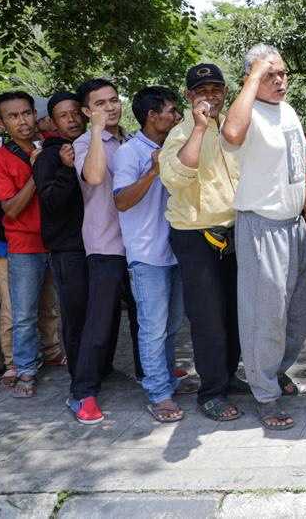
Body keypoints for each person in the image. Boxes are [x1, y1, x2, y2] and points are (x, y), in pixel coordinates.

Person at [221, 43, 306, 431]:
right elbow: (230, 134)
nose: (280, 81)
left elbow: (295, 166)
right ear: (251, 79)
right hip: (261, 225)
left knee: (299, 311)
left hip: (294, 223)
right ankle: (264, 394)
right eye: (269, 75)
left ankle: (274, 371)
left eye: (282, 73)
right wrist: (252, 79)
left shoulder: (287, 109)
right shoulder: (246, 113)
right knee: (266, 316)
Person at [160, 63, 246, 422]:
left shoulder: (234, 127)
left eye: (216, 89)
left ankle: (227, 375)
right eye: (202, 91)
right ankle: (211, 391)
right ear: (189, 96)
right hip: (196, 236)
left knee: (236, 312)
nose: (210, 96)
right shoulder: (180, 134)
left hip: (236, 230)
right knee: (208, 317)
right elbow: (177, 178)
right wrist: (198, 127)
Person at [113, 87, 190, 423]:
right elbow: (121, 200)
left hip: (176, 250)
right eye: (171, 111)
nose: (177, 117)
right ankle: (158, 394)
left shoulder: (174, 147)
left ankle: (167, 381)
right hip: (146, 255)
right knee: (153, 327)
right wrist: (154, 171)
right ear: (151, 116)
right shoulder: (130, 152)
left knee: (172, 325)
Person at [70, 78, 142, 425]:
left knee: (146, 316)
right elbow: (95, 177)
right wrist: (97, 132)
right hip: (105, 244)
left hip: (138, 243)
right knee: (99, 322)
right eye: (100, 104)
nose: (111, 107)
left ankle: (149, 372)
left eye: (114, 100)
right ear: (86, 112)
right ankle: (82, 392)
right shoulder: (85, 142)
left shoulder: (130, 139)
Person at [0, 91, 66, 398]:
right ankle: (25, 370)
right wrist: (37, 170)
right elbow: (11, 209)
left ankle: (52, 353)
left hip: (57, 240)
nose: (22, 121)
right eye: (13, 116)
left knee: (51, 308)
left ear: (35, 114)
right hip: (24, 244)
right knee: (23, 312)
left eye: (26, 113)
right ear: (2, 123)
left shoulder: (52, 145)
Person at [33, 92, 88, 389]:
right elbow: (51, 201)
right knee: (75, 313)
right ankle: (80, 377)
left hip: (97, 243)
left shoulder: (92, 146)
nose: (72, 119)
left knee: (98, 312)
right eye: (63, 115)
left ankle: (99, 368)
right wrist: (67, 170)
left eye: (75, 112)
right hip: (68, 247)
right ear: (52, 122)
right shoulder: (49, 157)